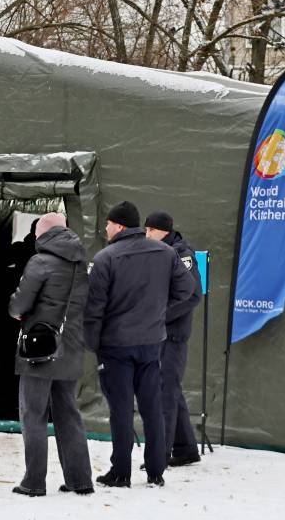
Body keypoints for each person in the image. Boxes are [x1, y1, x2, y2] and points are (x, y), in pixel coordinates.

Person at [84, 201, 196, 488]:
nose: (105, 228)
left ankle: (121, 472)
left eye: (108, 223)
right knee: (152, 408)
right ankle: (156, 470)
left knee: (120, 410)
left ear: (119, 225)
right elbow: (187, 290)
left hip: (116, 346)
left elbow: (94, 308)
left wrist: (93, 344)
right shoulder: (166, 253)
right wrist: (157, 311)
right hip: (151, 343)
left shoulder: (106, 258)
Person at [8, 212, 94, 497]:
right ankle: (79, 480)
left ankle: (34, 481)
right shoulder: (82, 263)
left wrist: (16, 310)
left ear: (42, 234)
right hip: (70, 346)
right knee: (68, 413)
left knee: (33, 414)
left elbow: (20, 303)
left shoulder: (40, 261)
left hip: (40, 349)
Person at [144, 210, 202, 467]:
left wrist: (160, 316)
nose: (146, 235)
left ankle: (160, 453)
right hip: (159, 333)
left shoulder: (181, 255)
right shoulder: (157, 253)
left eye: (150, 230)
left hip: (172, 334)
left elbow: (192, 295)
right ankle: (186, 448)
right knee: (170, 389)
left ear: (163, 231)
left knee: (163, 392)